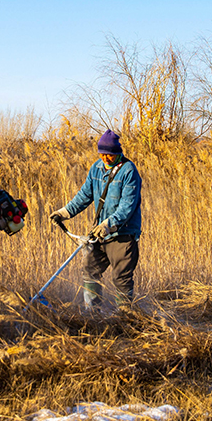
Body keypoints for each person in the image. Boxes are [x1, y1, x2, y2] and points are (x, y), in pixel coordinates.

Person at [49, 129, 142, 309]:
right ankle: (93, 313)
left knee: (121, 278)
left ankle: (125, 318)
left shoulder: (129, 171)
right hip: (99, 234)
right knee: (90, 271)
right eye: (102, 154)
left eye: (110, 155)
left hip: (122, 235)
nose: (106, 158)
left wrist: (109, 224)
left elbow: (127, 206)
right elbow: (84, 195)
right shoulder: (96, 168)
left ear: (117, 153)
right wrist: (64, 212)